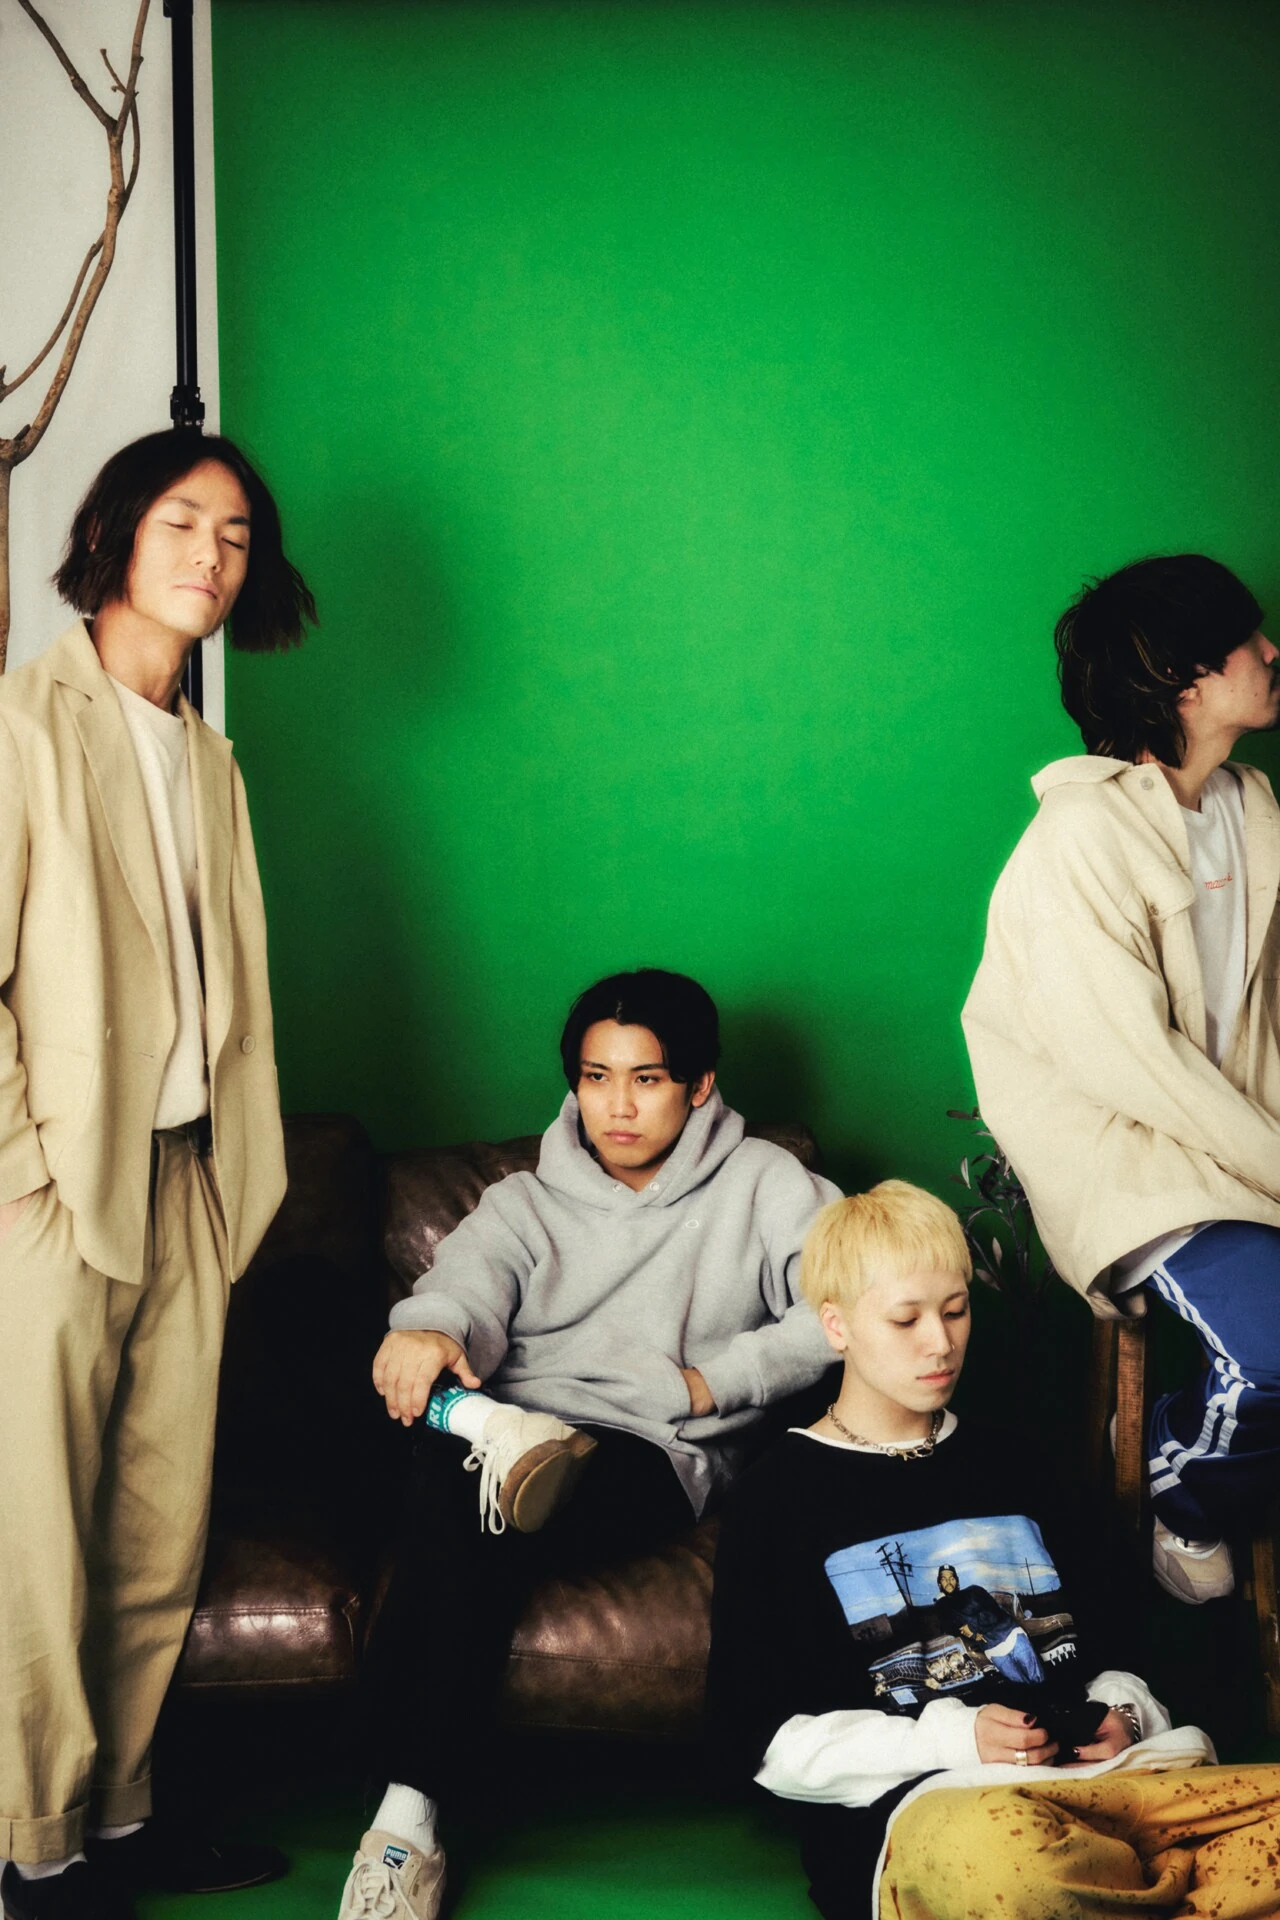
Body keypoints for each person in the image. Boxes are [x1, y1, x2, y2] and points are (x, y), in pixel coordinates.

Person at [336, 967, 841, 1920]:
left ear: (699, 1084)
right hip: (505, 1421)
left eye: (647, 1079)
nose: (618, 1106)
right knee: (325, 1335)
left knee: (449, 1487)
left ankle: (404, 1819)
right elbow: (467, 1283)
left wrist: (709, 1382)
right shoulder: (525, 1198)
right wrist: (432, 1332)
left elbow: (845, 1305)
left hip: (642, 1446)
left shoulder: (765, 1182)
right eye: (596, 1077)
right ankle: (488, 1435)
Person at [0, 429, 315, 1920]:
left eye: (237, 535)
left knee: (153, 1530)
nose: (212, 553)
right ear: (116, 535)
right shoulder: (22, 722)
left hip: (192, 1181)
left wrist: (231, 1186)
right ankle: (35, 1847)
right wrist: (24, 1179)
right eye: (184, 521)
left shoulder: (208, 757)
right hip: (57, 1195)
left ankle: (119, 1816)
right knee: (36, 1536)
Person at [707, 1180, 1280, 1920]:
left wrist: (1124, 1712)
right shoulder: (774, 1496)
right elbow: (761, 1740)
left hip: (1113, 1787)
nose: (941, 1342)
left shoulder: (1022, 1462)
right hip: (945, 1814)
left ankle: (1131, 1887)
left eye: (955, 1310)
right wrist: (956, 1738)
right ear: (836, 1325)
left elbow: (1124, 1642)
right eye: (906, 1319)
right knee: (1019, 1864)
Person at [962, 555, 1280, 1605]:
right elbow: (1128, 1065)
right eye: (1246, 640)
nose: (1271, 652)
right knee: (1276, 1349)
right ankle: (1175, 1483)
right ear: (1182, 678)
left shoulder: (1247, 806)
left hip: (1232, 1133)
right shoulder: (1078, 837)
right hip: (1133, 1153)